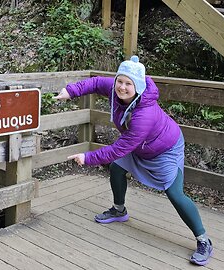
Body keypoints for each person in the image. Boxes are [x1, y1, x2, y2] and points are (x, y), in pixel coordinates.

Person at [53, 55, 213, 266]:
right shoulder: (115, 87)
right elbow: (94, 82)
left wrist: (88, 158)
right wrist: (71, 91)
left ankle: (203, 240)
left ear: (138, 86)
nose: (122, 87)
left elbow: (119, 148)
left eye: (128, 84)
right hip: (141, 144)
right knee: (117, 169)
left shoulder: (144, 114)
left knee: (174, 193)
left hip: (166, 148)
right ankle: (119, 210)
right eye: (120, 81)